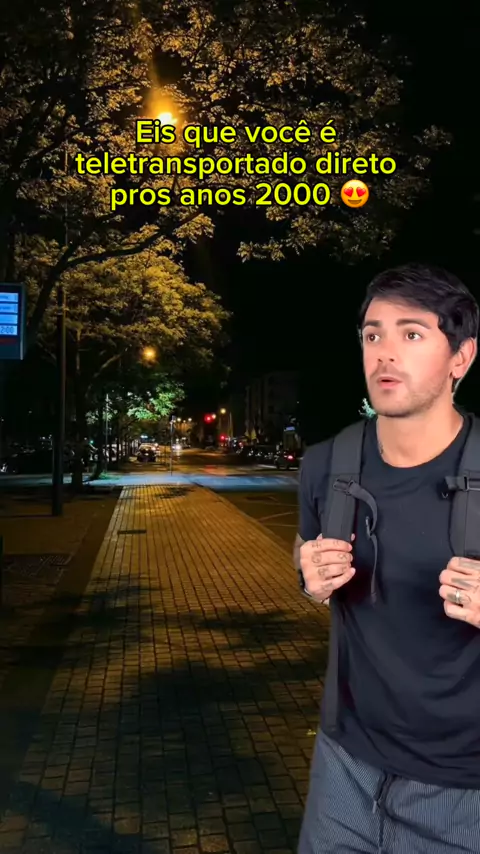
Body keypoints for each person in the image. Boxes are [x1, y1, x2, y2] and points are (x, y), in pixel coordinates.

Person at [295, 263, 480, 854]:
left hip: (463, 786)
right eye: (372, 335)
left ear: (461, 357)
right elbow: (304, 552)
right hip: (344, 765)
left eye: (412, 333)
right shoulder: (326, 464)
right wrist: (308, 576)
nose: (385, 353)